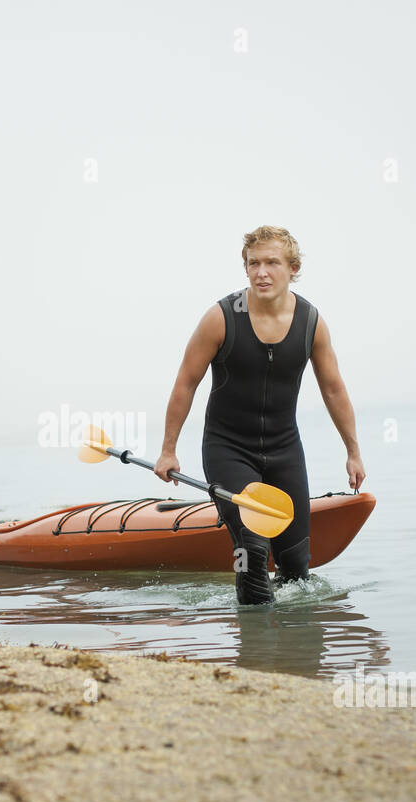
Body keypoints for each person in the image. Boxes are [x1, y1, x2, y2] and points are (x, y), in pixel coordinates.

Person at [154, 226, 366, 604]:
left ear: (293, 268)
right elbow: (186, 382)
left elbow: (333, 388)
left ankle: (291, 654)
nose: (261, 272)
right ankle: (251, 646)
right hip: (228, 449)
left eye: (272, 263)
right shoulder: (221, 318)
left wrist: (353, 451)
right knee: (251, 548)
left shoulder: (310, 322)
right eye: (253, 264)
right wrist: (168, 449)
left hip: (285, 450)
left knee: (296, 563)